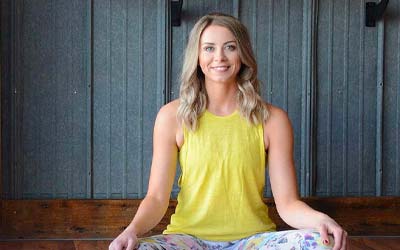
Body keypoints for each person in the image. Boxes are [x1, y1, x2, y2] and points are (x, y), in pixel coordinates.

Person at [109, 13, 347, 250]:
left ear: (242, 54)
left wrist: (320, 219)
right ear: (198, 55)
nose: (219, 57)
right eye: (209, 48)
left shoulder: (273, 120)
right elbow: (157, 199)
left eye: (230, 47)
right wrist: (131, 230)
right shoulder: (172, 116)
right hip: (190, 240)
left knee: (321, 243)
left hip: (253, 241)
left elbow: (287, 204)